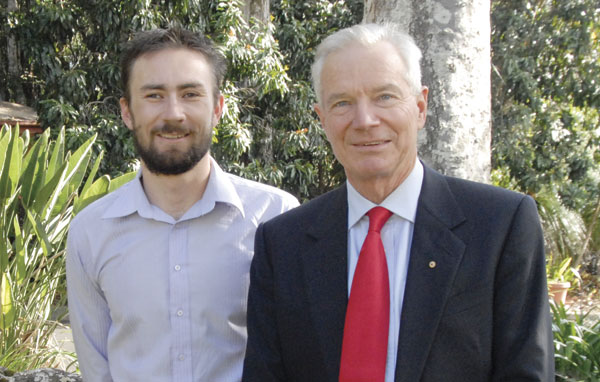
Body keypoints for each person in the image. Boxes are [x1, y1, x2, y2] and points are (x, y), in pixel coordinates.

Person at [242, 23, 554, 382]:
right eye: (342, 103)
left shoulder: (501, 225)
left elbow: (526, 372)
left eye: (385, 97)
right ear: (322, 119)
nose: (365, 120)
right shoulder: (282, 243)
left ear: (420, 107)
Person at [66, 27, 298, 381]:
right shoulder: (91, 231)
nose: (173, 113)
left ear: (218, 108)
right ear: (127, 112)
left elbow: (298, 353)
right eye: (154, 95)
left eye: (190, 94)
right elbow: (97, 369)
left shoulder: (276, 217)